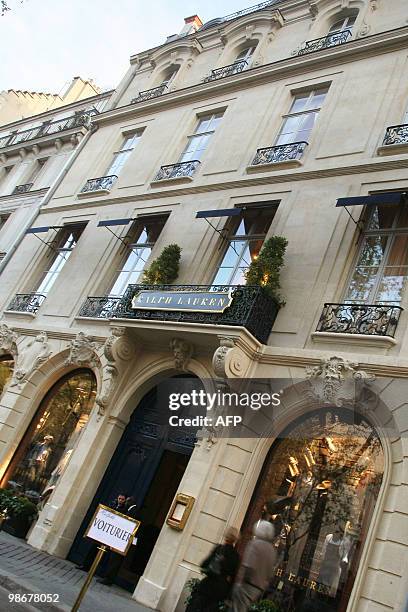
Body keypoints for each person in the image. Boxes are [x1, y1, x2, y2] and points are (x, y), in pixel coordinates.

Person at [186, 526, 240, 612]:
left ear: (225, 536)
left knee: (196, 607)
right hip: (221, 589)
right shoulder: (236, 556)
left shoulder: (219, 548)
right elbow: (233, 577)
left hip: (208, 584)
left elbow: (204, 564)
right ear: (236, 539)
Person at [231, 520, 278, 612]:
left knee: (237, 609)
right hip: (258, 589)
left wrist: (239, 582)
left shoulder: (255, 544)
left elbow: (248, 565)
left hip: (247, 584)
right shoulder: (272, 550)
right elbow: (270, 573)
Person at [75, 492, 128, 572]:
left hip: (113, 534)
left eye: (122, 499)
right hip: (104, 532)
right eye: (119, 498)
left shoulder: (125, 508)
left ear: (125, 500)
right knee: (94, 549)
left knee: (107, 554)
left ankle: (100, 571)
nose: (120, 500)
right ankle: (86, 566)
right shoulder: (113, 504)